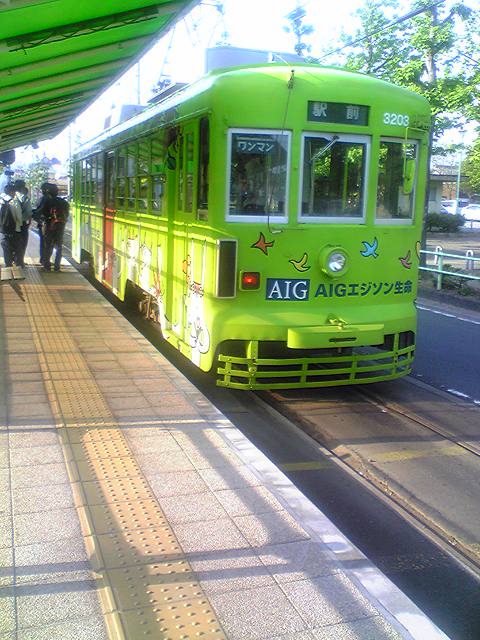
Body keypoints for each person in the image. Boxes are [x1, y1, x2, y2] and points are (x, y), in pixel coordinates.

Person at [43, 184, 69, 272]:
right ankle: (57, 267)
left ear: (49, 192)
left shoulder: (48, 201)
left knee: (48, 246)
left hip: (50, 227)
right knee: (59, 247)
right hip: (60, 227)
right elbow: (67, 215)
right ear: (57, 192)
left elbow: (44, 214)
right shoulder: (64, 202)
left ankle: (47, 266)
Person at [0, 183, 23, 269]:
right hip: (14, 229)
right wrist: (19, 226)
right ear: (12, 192)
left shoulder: (1, 201)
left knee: (6, 249)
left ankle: (7, 265)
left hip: (3, 230)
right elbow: (19, 217)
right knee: (17, 248)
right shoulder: (14, 202)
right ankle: (18, 265)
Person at [32, 182, 54, 265]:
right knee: (47, 243)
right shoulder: (47, 198)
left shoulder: (41, 198)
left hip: (42, 223)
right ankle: (45, 261)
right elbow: (40, 210)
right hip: (46, 223)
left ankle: (43, 259)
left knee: (43, 243)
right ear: (47, 190)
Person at [13, 179, 32, 267]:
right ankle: (20, 261)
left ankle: (13, 260)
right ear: (22, 187)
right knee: (22, 242)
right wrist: (28, 221)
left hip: (11, 224)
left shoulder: (10, 195)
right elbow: (28, 212)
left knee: (13, 242)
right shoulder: (24, 197)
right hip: (22, 224)